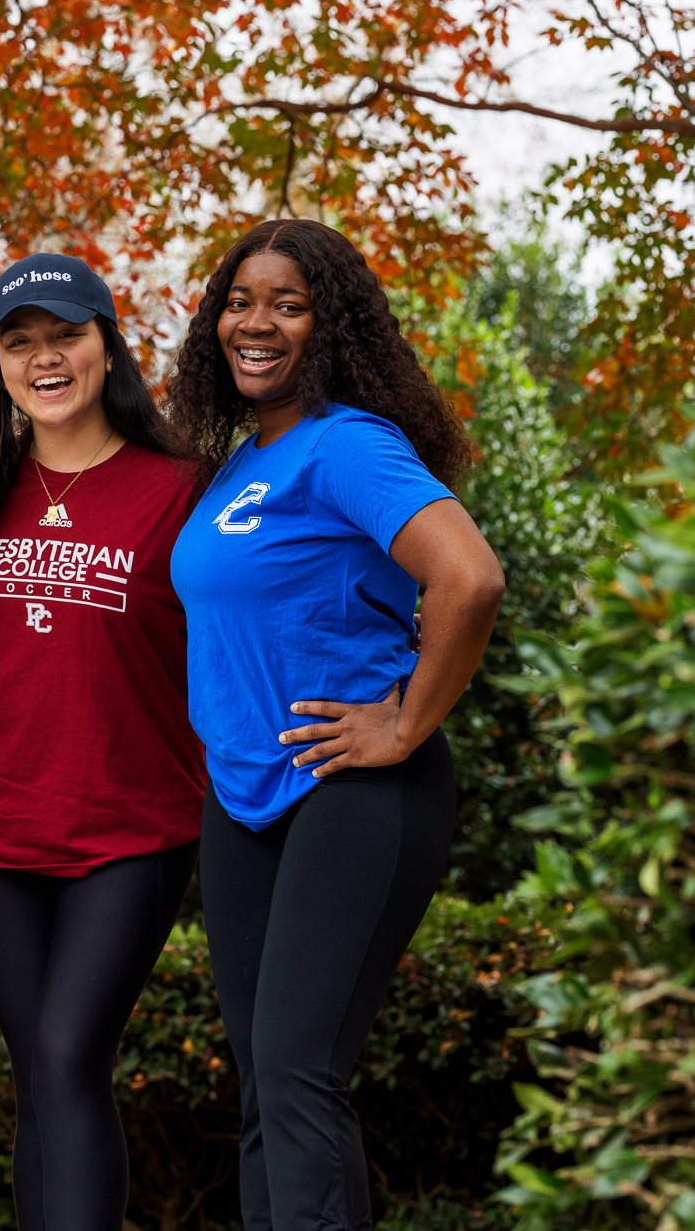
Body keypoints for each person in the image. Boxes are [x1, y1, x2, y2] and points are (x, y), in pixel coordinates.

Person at [166, 218, 506, 1231]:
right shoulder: (235, 463)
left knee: (297, 1071)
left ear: (331, 325)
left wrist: (400, 724)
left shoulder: (346, 443)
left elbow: (468, 576)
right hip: (245, 799)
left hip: (352, 788)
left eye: (286, 302)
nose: (254, 322)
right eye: (237, 300)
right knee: (266, 1086)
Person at [0, 253, 206, 1231]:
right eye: (18, 340)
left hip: (132, 827)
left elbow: (238, 635)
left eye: (64, 334)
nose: (44, 356)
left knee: (70, 1054)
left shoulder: (182, 488)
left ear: (104, 346)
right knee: (40, 1073)